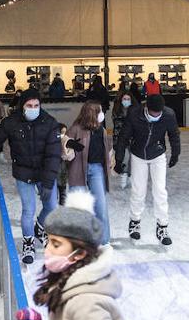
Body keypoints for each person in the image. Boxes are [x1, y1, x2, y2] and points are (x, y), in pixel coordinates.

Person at [0, 90, 62, 264]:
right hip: (24, 172)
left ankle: (40, 228)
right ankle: (28, 242)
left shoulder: (49, 123)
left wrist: (49, 183)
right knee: (28, 209)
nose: (33, 109)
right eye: (29, 105)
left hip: (44, 172)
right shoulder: (11, 123)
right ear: (23, 106)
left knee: (51, 206)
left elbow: (53, 154)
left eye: (36, 105)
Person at [113, 93, 180, 246]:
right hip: (138, 155)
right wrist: (118, 159)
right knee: (138, 190)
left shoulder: (168, 115)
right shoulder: (135, 113)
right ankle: (135, 221)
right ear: (146, 108)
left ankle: (162, 226)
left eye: (159, 113)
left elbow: (174, 135)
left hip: (157, 154)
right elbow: (123, 136)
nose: (157, 115)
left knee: (160, 191)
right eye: (153, 113)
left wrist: (176, 153)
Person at [65, 101, 113, 244]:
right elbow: (63, 147)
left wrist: (111, 160)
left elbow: (107, 148)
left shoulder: (102, 130)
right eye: (99, 111)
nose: (102, 114)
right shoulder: (75, 129)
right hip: (78, 169)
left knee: (100, 206)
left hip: (97, 169)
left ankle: (104, 241)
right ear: (91, 114)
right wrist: (69, 145)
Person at [111, 91, 135, 190]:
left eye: (128, 99)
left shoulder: (135, 111)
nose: (126, 101)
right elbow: (116, 126)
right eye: (124, 99)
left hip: (133, 137)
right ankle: (124, 175)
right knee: (124, 157)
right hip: (120, 137)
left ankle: (130, 174)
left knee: (133, 157)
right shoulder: (117, 111)